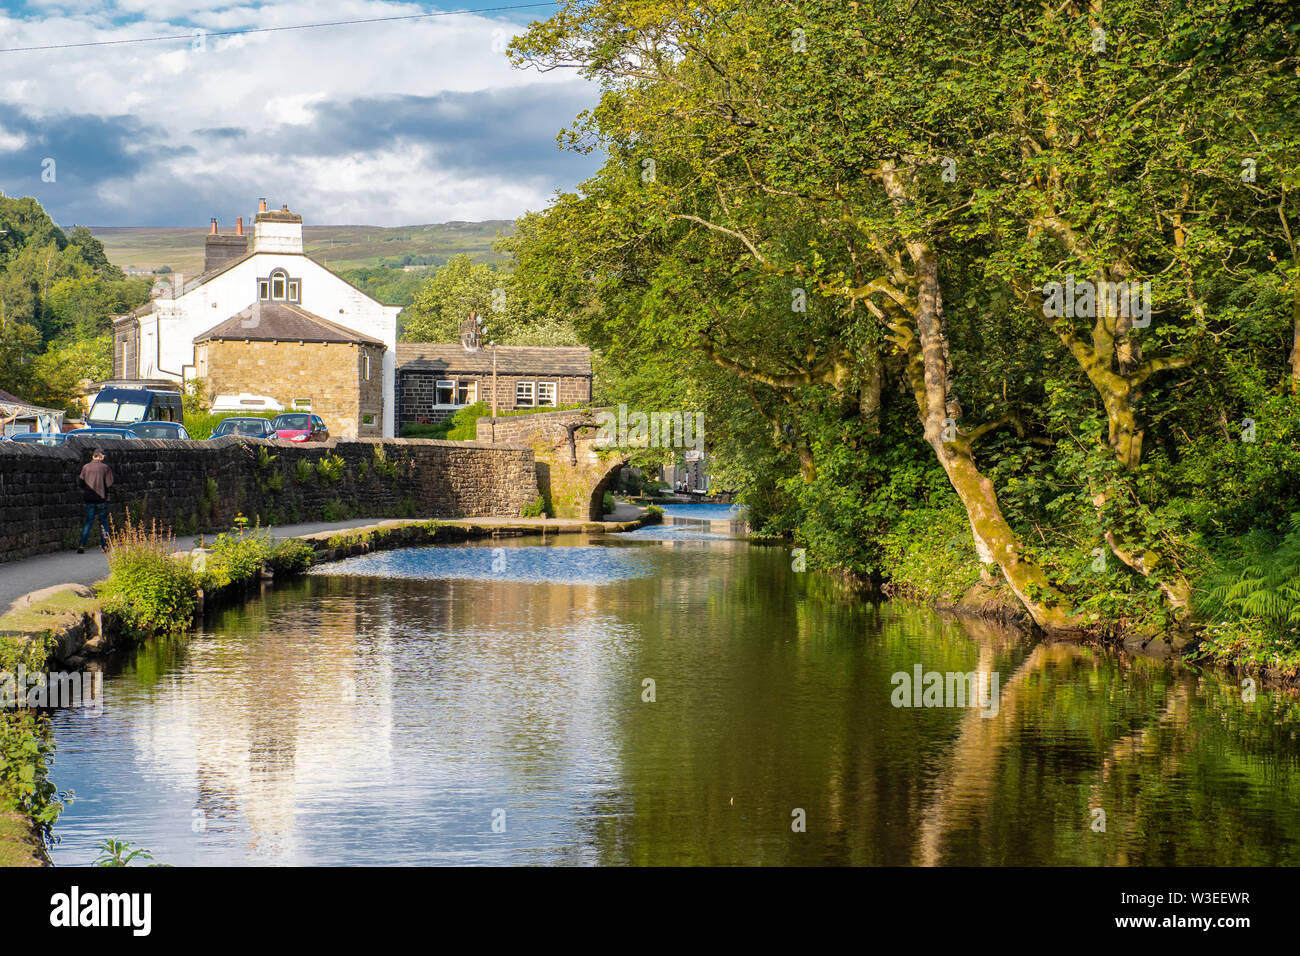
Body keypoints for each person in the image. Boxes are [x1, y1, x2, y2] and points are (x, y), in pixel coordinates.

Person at [77, 448, 114, 554]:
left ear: (93, 457)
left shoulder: (86, 467)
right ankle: (105, 546)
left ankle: (82, 544)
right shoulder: (105, 468)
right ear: (101, 457)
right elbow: (109, 484)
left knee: (88, 522)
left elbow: (81, 483)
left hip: (89, 499)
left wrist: (87, 490)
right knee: (103, 523)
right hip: (102, 499)